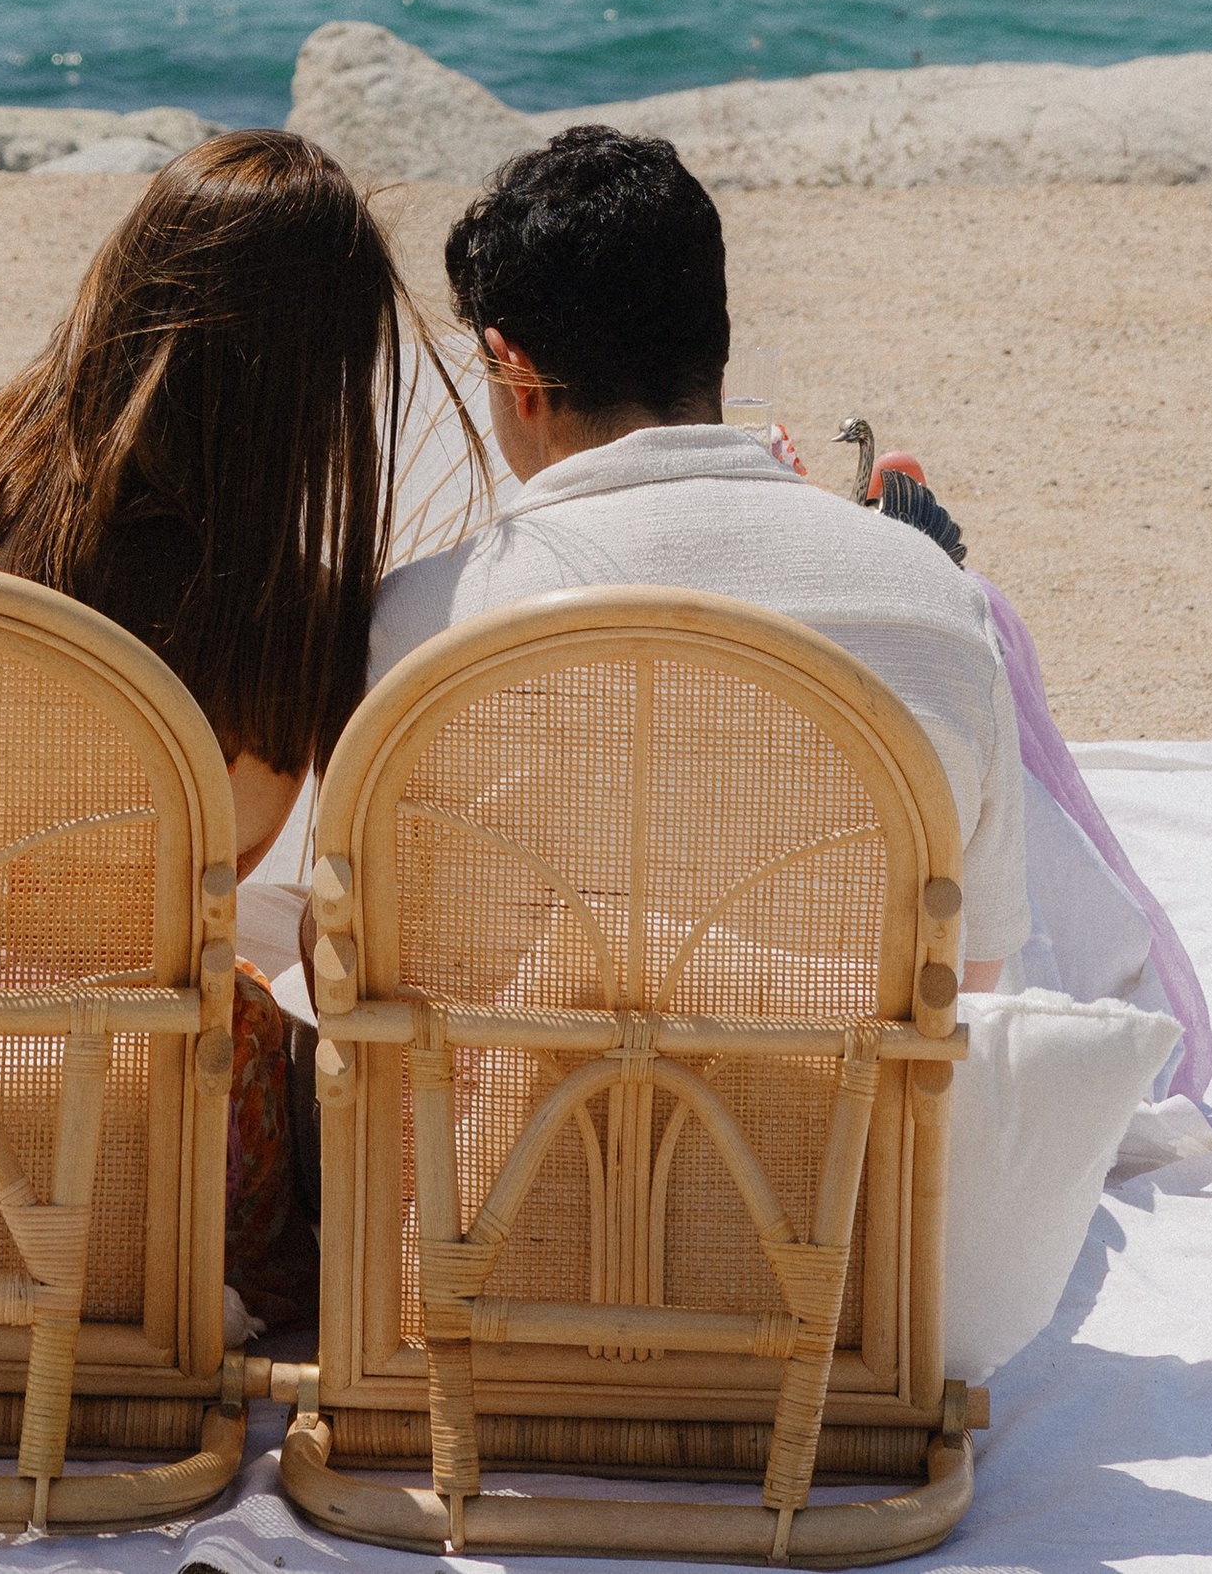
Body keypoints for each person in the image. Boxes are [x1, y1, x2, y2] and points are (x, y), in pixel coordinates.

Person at [0, 129, 422, 1322]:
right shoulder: (301, 631)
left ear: (117, 292)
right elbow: (322, 914)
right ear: (324, 390)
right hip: (144, 1143)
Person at [368, 125, 1031, 987]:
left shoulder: (423, 626)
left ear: (514, 372)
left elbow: (371, 954)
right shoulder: (936, 604)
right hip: (852, 1079)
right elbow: (973, 974)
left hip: (516, 1079)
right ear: (716, 345)